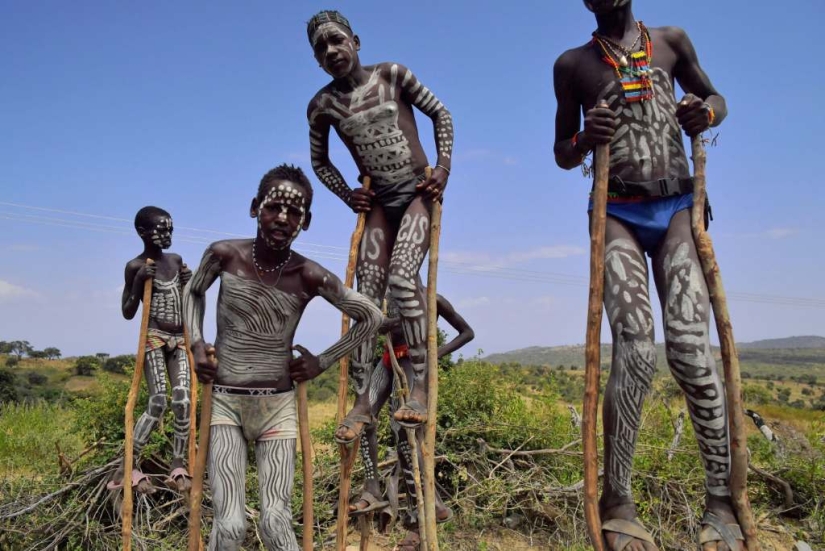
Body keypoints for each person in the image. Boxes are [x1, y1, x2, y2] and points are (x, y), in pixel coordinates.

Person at [553, 1, 744, 550]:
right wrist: (587, 137)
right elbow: (562, 151)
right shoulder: (573, 65)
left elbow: (716, 98)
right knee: (635, 349)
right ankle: (619, 501)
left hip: (680, 208)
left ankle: (721, 502)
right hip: (616, 212)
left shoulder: (671, 40)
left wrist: (704, 114)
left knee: (688, 348)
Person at [183, 164, 383, 550]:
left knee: (276, 523)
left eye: (295, 212)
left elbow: (370, 316)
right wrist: (196, 345)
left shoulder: (308, 274)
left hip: (278, 409)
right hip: (224, 403)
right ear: (255, 206)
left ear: (305, 222)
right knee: (229, 526)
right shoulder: (224, 255)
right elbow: (193, 293)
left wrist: (321, 362)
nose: (283, 218)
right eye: (275, 207)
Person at [306, 9, 454, 443]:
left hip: (416, 195)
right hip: (378, 207)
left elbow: (440, 114)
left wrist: (443, 167)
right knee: (365, 301)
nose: (331, 51)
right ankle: (364, 402)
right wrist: (347, 195)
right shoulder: (322, 105)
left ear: (355, 40)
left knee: (403, 281)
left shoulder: (392, 74)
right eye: (321, 48)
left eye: (336, 40)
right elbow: (319, 162)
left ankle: (422, 388)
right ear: (316, 60)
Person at [351, 284, 474, 549]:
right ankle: (372, 489)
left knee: (404, 436)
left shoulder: (432, 299)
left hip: (412, 367)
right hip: (386, 362)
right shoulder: (381, 299)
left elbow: (467, 333)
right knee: (361, 420)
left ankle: (425, 512)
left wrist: (435, 354)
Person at [110, 206, 192, 494]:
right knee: (157, 401)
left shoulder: (176, 261)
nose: (167, 234)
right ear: (142, 233)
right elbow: (127, 312)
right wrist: (138, 280)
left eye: (170, 229)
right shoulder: (135, 265)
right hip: (154, 338)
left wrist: (188, 283)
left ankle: (178, 464)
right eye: (161, 229)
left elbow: (188, 302)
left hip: (179, 338)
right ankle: (129, 465)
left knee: (183, 400)